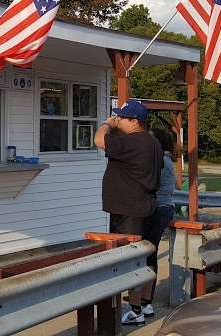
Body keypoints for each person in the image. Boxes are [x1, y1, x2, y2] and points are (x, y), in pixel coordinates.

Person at [94, 99, 161, 326]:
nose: (117, 119)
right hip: (148, 205)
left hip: (129, 210)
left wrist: (106, 124)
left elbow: (98, 140)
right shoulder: (153, 142)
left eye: (121, 117)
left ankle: (134, 311)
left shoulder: (130, 141)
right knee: (148, 255)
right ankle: (145, 303)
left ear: (134, 121)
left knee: (131, 260)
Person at [130, 127, 178, 322]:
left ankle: (141, 303)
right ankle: (145, 302)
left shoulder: (160, 162)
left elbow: (147, 184)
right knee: (151, 252)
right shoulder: (165, 160)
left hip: (157, 209)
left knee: (145, 253)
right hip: (163, 208)